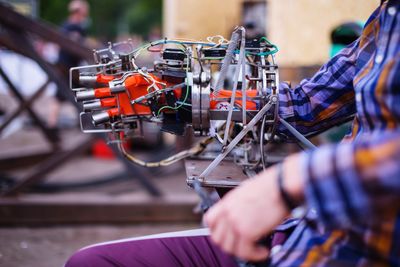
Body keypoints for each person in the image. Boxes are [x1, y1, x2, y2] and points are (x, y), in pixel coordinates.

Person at [65, 1, 400, 266]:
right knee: (92, 262)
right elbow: (304, 106)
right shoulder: (385, 19)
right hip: (306, 232)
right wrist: (180, 98)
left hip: (364, 250)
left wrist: (292, 181)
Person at [48, 0, 90, 128]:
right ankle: (53, 123)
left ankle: (79, 121)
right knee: (66, 95)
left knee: (78, 93)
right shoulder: (74, 27)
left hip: (69, 67)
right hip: (68, 68)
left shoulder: (66, 25)